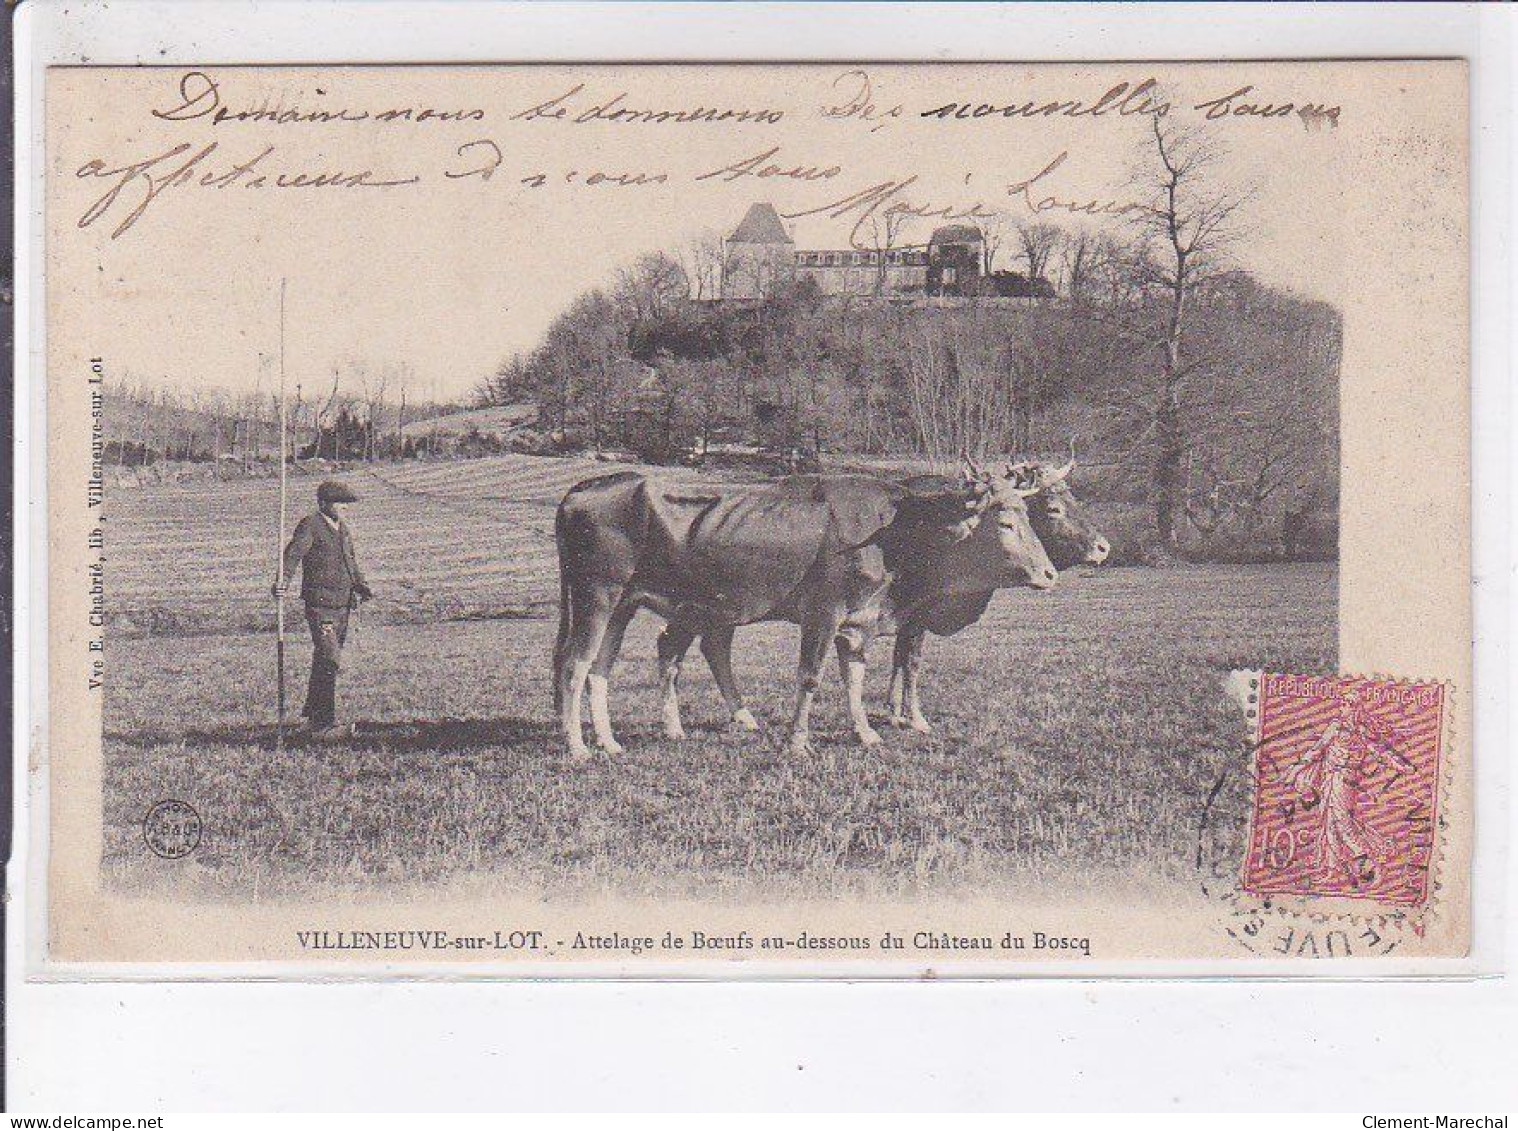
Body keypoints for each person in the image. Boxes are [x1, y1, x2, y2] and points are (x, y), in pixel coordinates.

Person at [272, 480, 373, 740]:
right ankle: (324, 725)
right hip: (321, 606)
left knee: (324, 660)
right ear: (323, 503)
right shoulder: (311, 526)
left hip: (343, 605)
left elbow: (350, 561)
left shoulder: (343, 529)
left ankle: (314, 720)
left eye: (347, 505)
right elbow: (292, 554)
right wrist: (281, 581)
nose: (344, 509)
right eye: (340, 504)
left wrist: (361, 586)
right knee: (330, 659)